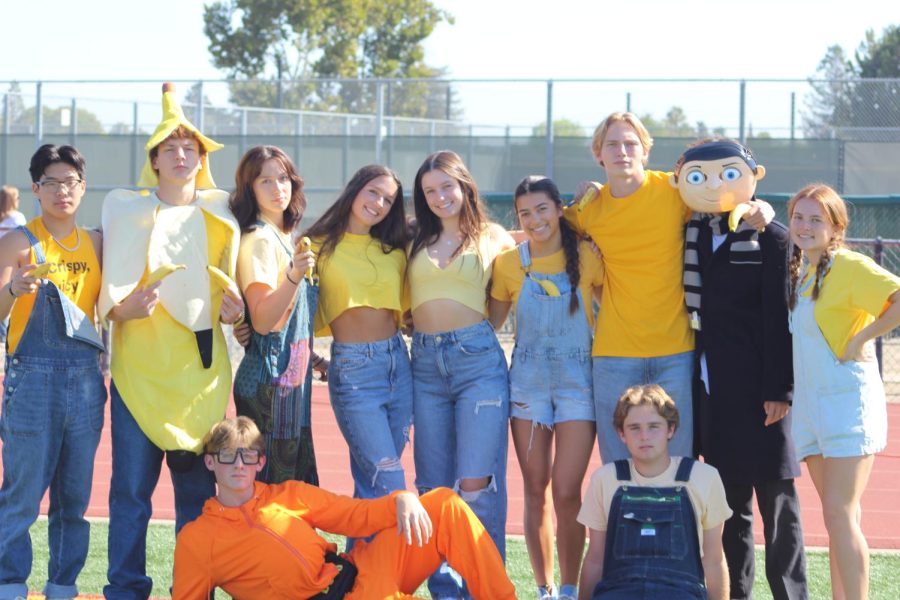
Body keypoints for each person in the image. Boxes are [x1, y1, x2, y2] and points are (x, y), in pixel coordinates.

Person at [99, 83, 244, 599]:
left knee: (196, 496)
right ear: (154, 160)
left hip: (200, 377)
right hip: (138, 375)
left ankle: (193, 589)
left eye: (191, 148)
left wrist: (239, 309)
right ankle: (125, 589)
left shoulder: (224, 213)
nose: (182, 155)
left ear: (201, 159)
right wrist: (122, 308)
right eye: (170, 149)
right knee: (131, 495)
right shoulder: (123, 209)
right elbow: (106, 289)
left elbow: (241, 285)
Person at [566, 112, 773, 463]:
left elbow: (728, 200)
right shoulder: (587, 211)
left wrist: (762, 207)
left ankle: (677, 521)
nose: (622, 152)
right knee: (619, 466)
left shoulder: (674, 191)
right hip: (614, 355)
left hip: (676, 350)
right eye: (612, 145)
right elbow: (544, 234)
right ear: (598, 154)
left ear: (645, 151)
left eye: (631, 144)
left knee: (678, 464)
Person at [172, 416, 517, 600]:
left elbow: (352, 516)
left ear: (260, 462)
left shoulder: (287, 494)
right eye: (227, 455)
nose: (238, 465)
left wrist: (401, 500)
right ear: (209, 463)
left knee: (443, 504)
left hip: (361, 570)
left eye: (248, 455)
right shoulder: (198, 540)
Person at [673, 139, 808, 600]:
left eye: (726, 173)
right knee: (731, 511)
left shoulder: (771, 236)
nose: (713, 185)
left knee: (779, 506)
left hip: (762, 394)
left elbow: (779, 318)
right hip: (714, 393)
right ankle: (735, 594)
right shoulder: (686, 229)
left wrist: (780, 390)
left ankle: (791, 594)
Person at [489, 175, 603, 600]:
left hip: (578, 386)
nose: (535, 219)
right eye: (525, 213)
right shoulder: (507, 264)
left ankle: (571, 588)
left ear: (559, 209)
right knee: (535, 489)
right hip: (527, 388)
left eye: (542, 209)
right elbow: (489, 326)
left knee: (568, 489)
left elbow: (613, 313)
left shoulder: (589, 258)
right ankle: (545, 589)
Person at [408, 149, 515, 597]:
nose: (439, 197)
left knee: (477, 484)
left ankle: (486, 587)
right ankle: (445, 589)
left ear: (464, 186)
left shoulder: (494, 236)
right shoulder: (413, 239)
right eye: (429, 191)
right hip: (425, 367)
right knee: (433, 486)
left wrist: (471, 337)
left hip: (478, 365)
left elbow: (503, 298)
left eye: (446, 187)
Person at [0, 145, 105, 600]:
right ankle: (8, 585)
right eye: (52, 182)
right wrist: (12, 287)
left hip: (86, 382)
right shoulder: (18, 242)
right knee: (21, 497)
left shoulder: (99, 241)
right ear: (35, 189)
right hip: (32, 381)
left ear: (84, 187)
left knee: (74, 501)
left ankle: (63, 586)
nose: (63, 191)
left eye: (71, 182)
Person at [787, 183, 900, 600]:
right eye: (798, 217)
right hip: (810, 407)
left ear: (836, 226)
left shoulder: (850, 265)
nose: (804, 225)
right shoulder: (802, 273)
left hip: (847, 404)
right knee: (836, 517)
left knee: (840, 513)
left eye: (816, 219)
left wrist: (862, 338)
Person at [303, 165, 412, 505]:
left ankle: (362, 559)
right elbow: (295, 314)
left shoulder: (395, 251)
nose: (379, 203)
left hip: (398, 363)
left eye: (388, 200)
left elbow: (409, 315)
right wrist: (317, 361)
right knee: (387, 478)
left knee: (371, 484)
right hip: (353, 370)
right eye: (373, 192)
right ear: (355, 190)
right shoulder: (316, 246)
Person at [577, 384, 731, 600]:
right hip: (618, 592)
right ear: (621, 434)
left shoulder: (704, 477)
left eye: (654, 426)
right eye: (634, 428)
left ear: (671, 429)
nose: (644, 436)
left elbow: (714, 560)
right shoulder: (605, 478)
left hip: (681, 593)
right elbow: (595, 558)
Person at [230, 145, 319, 485]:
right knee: (271, 490)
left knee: (289, 490)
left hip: (288, 381)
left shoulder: (284, 237)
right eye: (265, 180)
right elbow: (265, 320)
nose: (277, 188)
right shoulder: (260, 239)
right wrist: (294, 276)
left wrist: (314, 360)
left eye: (282, 178)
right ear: (249, 189)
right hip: (269, 384)